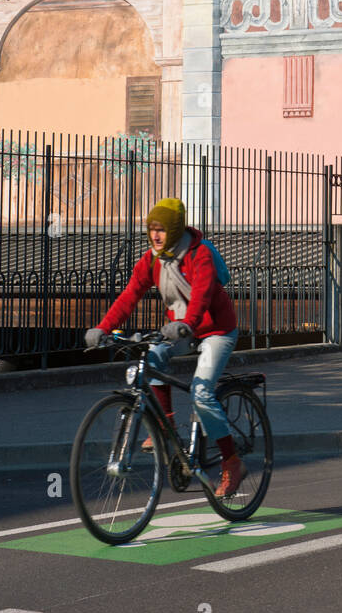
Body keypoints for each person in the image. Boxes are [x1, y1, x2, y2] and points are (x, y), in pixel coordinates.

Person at [85, 198, 246, 497]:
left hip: (216, 330)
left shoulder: (200, 255)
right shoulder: (153, 259)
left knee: (201, 393)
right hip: (179, 328)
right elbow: (129, 295)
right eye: (151, 229)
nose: (155, 235)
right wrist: (103, 328)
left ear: (173, 229)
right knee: (154, 355)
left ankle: (231, 462)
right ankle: (163, 425)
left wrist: (188, 323)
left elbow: (200, 297)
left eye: (161, 229)